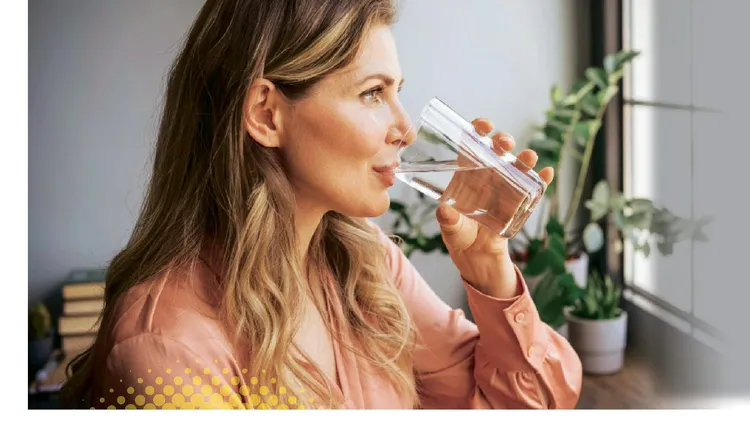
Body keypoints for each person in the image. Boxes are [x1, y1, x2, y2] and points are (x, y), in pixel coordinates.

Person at [60, 0, 582, 410]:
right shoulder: (163, 351)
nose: (405, 129)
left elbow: (525, 403)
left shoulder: (363, 263)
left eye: (397, 91)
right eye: (373, 93)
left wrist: (488, 265)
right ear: (266, 114)